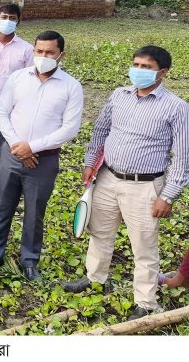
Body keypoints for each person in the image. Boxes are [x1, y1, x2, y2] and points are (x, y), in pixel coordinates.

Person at [62, 46, 189, 320]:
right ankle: (95, 278)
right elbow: (101, 130)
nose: (138, 71)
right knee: (100, 233)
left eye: (146, 67)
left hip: (144, 186)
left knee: (143, 245)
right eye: (136, 65)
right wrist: (89, 162)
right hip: (107, 177)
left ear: (162, 72)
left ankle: (145, 302)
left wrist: (167, 196)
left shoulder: (176, 108)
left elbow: (182, 157)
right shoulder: (119, 96)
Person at [0, 30, 83, 281]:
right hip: (11, 155)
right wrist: (17, 146)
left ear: (61, 55)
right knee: (2, 207)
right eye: (39, 51)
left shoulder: (71, 87)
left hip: (43, 160)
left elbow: (70, 128)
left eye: (49, 52)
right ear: (33, 51)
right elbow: (2, 113)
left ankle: (29, 260)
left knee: (35, 212)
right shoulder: (18, 78)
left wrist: (32, 147)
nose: (43, 56)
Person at [0, 4, 34, 195]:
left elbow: (31, 82)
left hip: (10, 112)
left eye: (12, 18)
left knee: (2, 156)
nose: (7, 21)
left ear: (18, 21)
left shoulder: (27, 50)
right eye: (4, 17)